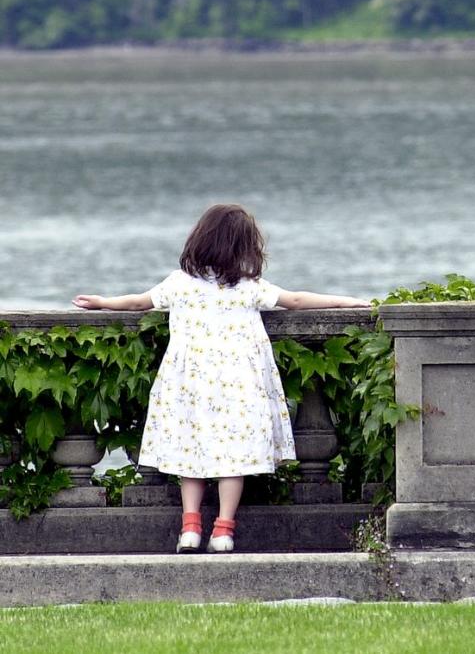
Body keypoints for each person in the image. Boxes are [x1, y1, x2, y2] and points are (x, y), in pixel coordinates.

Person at [73, 203, 369, 554]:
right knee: (235, 456)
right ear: (243, 248)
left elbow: (139, 303)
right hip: (238, 383)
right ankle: (224, 530)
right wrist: (348, 301)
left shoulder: (180, 284)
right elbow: (297, 300)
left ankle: (190, 527)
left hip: (189, 384)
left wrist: (102, 301)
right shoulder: (248, 286)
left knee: (189, 451)